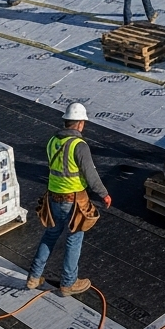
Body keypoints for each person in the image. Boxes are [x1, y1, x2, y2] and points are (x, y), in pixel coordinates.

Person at [26, 102, 112, 296]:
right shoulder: (79, 145)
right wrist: (104, 194)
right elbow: (90, 174)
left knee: (50, 235)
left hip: (52, 198)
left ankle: (33, 277)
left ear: (66, 121)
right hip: (73, 202)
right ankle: (68, 283)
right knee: (74, 239)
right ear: (80, 123)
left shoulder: (52, 141)